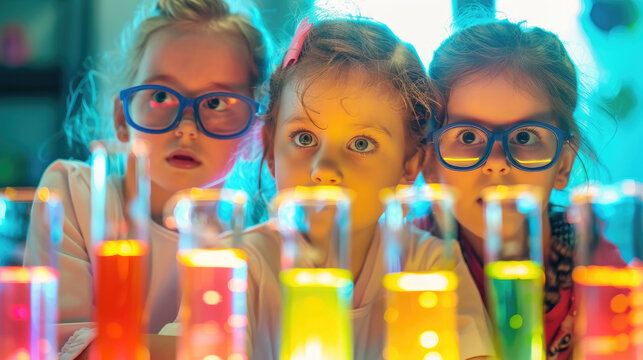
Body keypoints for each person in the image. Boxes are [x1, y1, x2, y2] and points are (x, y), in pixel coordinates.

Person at [232, 16, 494, 359]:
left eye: (360, 144)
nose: (324, 170)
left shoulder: (430, 264)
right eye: (305, 137)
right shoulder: (234, 267)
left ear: (410, 164)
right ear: (269, 150)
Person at [24, 0, 271, 358]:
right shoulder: (72, 196)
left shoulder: (256, 243)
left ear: (254, 136)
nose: (186, 127)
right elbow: (55, 345)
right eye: (160, 96)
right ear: (122, 119)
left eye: (217, 103)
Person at [423, 19, 625, 359]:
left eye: (525, 137)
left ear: (562, 164)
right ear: (430, 162)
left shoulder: (603, 273)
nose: (497, 162)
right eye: (468, 137)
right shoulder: (409, 265)